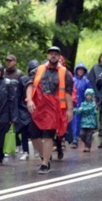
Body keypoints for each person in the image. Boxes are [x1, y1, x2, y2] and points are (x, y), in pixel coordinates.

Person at [26, 46, 74, 174]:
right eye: (51, 54)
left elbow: (68, 93)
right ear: (47, 56)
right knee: (34, 135)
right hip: (38, 107)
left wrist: (70, 109)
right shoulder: (38, 70)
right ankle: (45, 157)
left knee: (48, 136)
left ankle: (45, 163)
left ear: (59, 57)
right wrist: (29, 100)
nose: (53, 56)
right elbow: (30, 85)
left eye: (56, 54)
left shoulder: (65, 73)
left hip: (54, 108)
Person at [15, 60, 39, 161]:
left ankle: (37, 148)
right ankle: (25, 151)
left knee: (34, 131)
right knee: (24, 131)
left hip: (36, 108)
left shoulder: (40, 79)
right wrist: (16, 109)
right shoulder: (23, 79)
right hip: (24, 109)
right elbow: (18, 95)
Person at [71, 62, 91, 148]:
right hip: (74, 104)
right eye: (79, 70)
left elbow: (89, 93)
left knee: (82, 122)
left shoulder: (86, 82)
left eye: (82, 70)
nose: (80, 71)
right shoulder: (72, 80)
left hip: (83, 105)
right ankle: (74, 138)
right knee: (74, 121)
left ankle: (83, 138)